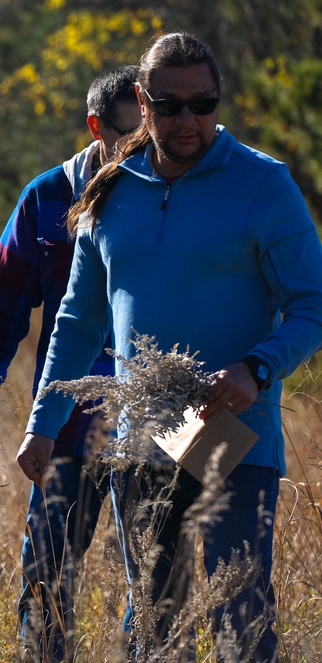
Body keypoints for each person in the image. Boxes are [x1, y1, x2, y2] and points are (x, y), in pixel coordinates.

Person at [18, 32, 322, 661]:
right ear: (142, 99)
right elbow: (77, 321)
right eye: (170, 104)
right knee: (157, 618)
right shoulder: (111, 189)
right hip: (142, 433)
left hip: (231, 430)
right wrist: (44, 423)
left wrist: (258, 368)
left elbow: (313, 303)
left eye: (204, 103)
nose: (189, 120)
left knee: (240, 613)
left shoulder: (262, 184)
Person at [0, 66, 141, 660]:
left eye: (145, 139)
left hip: (153, 424)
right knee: (48, 578)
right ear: (94, 126)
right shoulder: (47, 197)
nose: (136, 154)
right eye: (124, 138)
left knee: (157, 580)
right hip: (68, 423)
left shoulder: (172, 198)